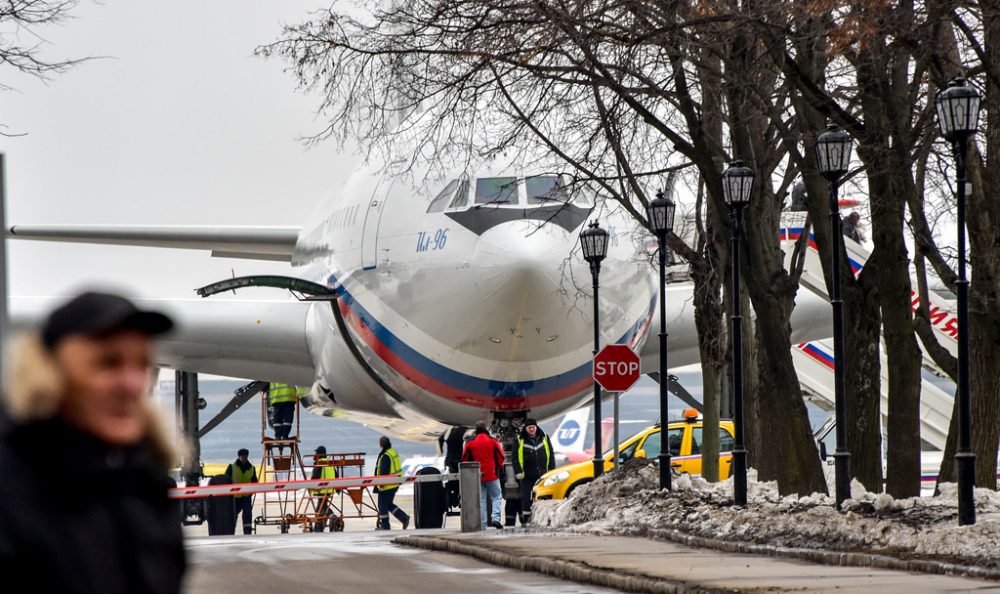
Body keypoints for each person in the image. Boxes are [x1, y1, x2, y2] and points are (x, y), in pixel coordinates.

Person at [0, 291, 185, 593]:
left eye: (142, 365)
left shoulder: (143, 485)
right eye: (108, 364)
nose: (132, 384)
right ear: (49, 374)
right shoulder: (12, 492)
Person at [462, 420, 505, 529]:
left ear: (476, 429)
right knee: (496, 497)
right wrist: (499, 468)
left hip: (476, 475)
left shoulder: (470, 442)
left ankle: (483, 524)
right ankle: (495, 518)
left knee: (481, 500)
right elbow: (501, 456)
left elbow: (465, 459)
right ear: (486, 428)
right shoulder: (493, 441)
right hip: (492, 474)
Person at [512, 418, 554, 526]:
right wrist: (518, 472)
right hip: (527, 475)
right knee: (526, 497)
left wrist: (552, 470)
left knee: (543, 495)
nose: (531, 429)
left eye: (533, 427)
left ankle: (543, 517)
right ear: (526, 429)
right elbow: (515, 458)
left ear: (536, 427)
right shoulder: (519, 440)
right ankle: (526, 519)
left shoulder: (544, 438)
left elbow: (551, 454)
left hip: (543, 474)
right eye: (529, 428)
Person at [374, 436, 409, 530]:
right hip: (395, 483)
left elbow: (384, 471)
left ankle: (385, 525)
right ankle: (404, 518)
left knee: (382, 505)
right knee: (389, 504)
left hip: (387, 485)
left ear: (381, 444)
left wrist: (381, 483)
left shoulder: (386, 455)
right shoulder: (392, 452)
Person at [225, 448, 258, 535]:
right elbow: (226, 481)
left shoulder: (252, 468)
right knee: (232, 515)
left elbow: (255, 481)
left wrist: (251, 492)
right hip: (235, 497)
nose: (244, 458)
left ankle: (247, 532)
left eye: (245, 456)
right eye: (242, 456)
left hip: (246, 497)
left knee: (247, 515)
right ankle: (230, 532)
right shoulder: (232, 467)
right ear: (239, 457)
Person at [310, 445, 339, 532]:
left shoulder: (319, 463)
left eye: (316, 452)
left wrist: (311, 485)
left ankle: (329, 517)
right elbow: (336, 475)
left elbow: (316, 476)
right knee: (321, 507)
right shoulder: (329, 463)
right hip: (329, 489)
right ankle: (319, 525)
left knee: (321, 508)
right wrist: (338, 489)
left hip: (321, 489)